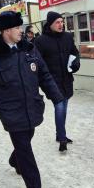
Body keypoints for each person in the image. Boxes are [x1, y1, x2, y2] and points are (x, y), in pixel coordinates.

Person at [0, 11, 63, 188]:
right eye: (16, 27)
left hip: (32, 107)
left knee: (25, 141)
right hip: (11, 113)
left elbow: (44, 75)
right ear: (5, 30)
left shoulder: (30, 50)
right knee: (25, 149)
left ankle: (15, 160)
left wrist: (56, 97)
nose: (21, 31)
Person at [34, 11, 80, 152]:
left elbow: (74, 52)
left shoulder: (67, 37)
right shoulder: (41, 41)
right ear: (50, 24)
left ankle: (60, 133)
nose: (61, 24)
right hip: (51, 81)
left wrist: (76, 63)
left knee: (63, 106)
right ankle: (62, 138)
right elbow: (37, 62)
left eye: (62, 21)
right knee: (60, 106)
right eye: (58, 22)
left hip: (66, 78)